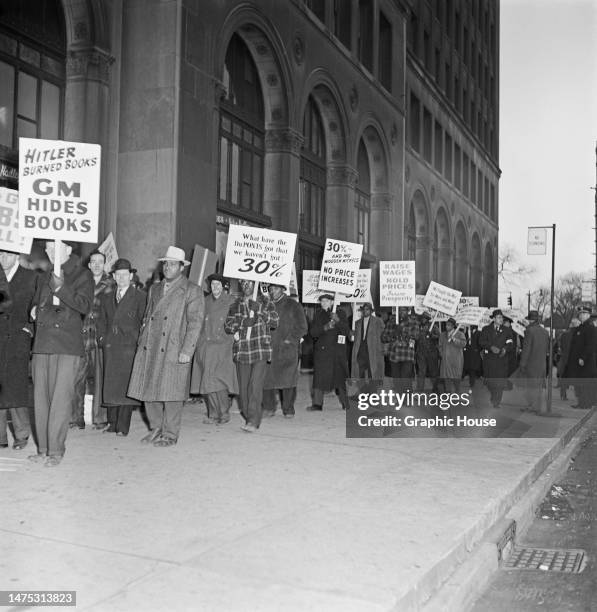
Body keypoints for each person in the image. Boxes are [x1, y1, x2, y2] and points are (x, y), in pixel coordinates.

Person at [128, 246, 204, 446]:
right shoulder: (154, 288)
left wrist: (187, 350)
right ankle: (156, 427)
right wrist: (141, 342)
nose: (168, 267)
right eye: (166, 263)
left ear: (182, 267)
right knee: (148, 389)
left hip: (174, 347)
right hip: (150, 346)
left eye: (172, 264)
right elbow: (147, 317)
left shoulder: (192, 290)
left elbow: (195, 323)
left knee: (172, 392)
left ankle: (170, 434)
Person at [28, 241, 94, 467]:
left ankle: (56, 450)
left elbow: (84, 305)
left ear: (68, 250)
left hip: (66, 345)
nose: (49, 251)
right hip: (42, 343)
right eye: (47, 247)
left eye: (55, 246)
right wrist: (34, 310)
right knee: (40, 398)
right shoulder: (43, 276)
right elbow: (40, 303)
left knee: (60, 400)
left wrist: (60, 288)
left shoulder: (82, 275)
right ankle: (43, 447)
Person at [97, 259, 146, 436]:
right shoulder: (107, 297)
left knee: (125, 386)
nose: (122, 278)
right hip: (111, 345)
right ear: (113, 276)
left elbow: (144, 322)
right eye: (118, 275)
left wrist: (136, 339)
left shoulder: (140, 296)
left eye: (125, 275)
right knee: (110, 384)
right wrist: (102, 338)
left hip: (128, 346)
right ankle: (112, 423)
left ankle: (123, 426)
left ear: (131, 276)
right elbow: (101, 320)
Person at [224, 279, 279, 432]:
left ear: (255, 284)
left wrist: (259, 309)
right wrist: (242, 323)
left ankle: (253, 421)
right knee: (243, 389)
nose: (246, 285)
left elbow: (275, 321)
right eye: (243, 283)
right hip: (242, 351)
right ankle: (249, 415)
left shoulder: (266, 302)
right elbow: (228, 326)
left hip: (260, 349)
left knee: (255, 386)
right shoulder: (235, 305)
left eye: (249, 283)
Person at [72, 249, 115, 430]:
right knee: (76, 381)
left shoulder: (111, 284)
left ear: (105, 265)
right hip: (80, 338)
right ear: (89, 265)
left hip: (99, 339)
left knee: (100, 381)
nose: (97, 265)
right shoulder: (80, 283)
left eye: (100, 261)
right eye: (93, 262)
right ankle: (76, 418)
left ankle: (100, 418)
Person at [190, 273, 238, 425]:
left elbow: (237, 321)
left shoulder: (232, 301)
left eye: (218, 284)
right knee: (207, 381)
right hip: (205, 346)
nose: (215, 287)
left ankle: (223, 414)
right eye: (212, 285)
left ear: (224, 286)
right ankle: (212, 414)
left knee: (220, 381)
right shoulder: (205, 301)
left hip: (223, 346)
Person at [0, 251, 35, 450]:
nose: (2, 258)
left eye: (7, 254)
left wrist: (29, 328)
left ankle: (22, 435)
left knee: (17, 387)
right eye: (0, 254)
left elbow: (38, 304)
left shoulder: (30, 277)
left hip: (18, 340)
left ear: (17, 256)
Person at [262, 283, 307, 418]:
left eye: (275, 289)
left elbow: (302, 327)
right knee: (267, 379)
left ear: (282, 289)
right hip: (268, 348)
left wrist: (290, 340)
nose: (272, 292)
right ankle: (269, 408)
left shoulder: (293, 305)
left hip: (286, 349)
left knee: (288, 380)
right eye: (270, 289)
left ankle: (288, 409)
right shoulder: (265, 306)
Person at [307, 294, 350, 411]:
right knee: (319, 378)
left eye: (326, 301)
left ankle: (347, 403)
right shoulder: (318, 314)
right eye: (322, 301)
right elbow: (313, 333)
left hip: (337, 352)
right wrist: (325, 327)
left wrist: (338, 320)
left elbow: (346, 331)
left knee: (341, 378)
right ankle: (317, 404)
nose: (323, 303)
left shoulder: (340, 313)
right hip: (322, 352)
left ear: (332, 302)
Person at [479, 309, 515, 409]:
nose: (501, 319)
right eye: (499, 317)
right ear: (494, 319)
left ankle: (497, 401)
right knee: (490, 382)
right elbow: (481, 341)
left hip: (501, 360)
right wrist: (490, 347)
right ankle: (493, 395)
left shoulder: (507, 330)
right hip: (489, 361)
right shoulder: (486, 329)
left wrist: (505, 349)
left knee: (499, 382)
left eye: (502, 317)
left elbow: (510, 343)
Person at [564, 305, 597, 409]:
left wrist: (583, 357)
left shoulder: (591, 328)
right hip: (577, 362)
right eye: (580, 314)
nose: (581, 315)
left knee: (585, 384)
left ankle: (585, 403)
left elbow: (590, 345)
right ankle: (582, 403)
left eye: (583, 314)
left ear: (588, 315)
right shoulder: (580, 328)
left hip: (585, 362)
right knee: (579, 384)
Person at [518, 310, 550, 414]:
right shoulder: (545, 332)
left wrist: (522, 364)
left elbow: (526, 349)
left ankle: (532, 406)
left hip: (531, 364)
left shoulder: (529, 331)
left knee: (530, 386)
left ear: (530, 320)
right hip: (541, 364)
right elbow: (548, 349)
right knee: (539, 386)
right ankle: (539, 406)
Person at [383, 310, 419, 392]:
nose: (402, 312)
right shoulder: (391, 322)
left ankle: (407, 399)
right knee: (396, 379)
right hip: (394, 355)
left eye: (404, 310)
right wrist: (393, 336)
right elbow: (383, 337)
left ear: (408, 310)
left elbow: (415, 337)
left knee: (405, 378)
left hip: (407, 355)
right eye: (400, 310)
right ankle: (400, 398)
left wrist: (403, 340)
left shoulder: (414, 322)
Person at [351, 303, 385, 379]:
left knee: (372, 371)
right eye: (364, 309)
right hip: (360, 350)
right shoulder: (357, 322)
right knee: (359, 371)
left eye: (367, 309)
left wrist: (384, 348)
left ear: (371, 311)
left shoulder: (378, 321)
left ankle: (372, 389)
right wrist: (351, 334)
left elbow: (383, 335)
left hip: (373, 350)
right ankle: (362, 388)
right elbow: (355, 336)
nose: (365, 311)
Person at [438, 318, 467, 393]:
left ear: (453, 326)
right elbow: (439, 346)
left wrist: (454, 339)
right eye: (446, 325)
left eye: (449, 325)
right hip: (446, 361)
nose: (447, 327)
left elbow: (463, 344)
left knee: (456, 378)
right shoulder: (442, 334)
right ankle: (448, 394)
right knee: (447, 378)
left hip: (456, 360)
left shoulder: (460, 334)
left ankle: (457, 392)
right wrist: (442, 353)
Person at [415, 312, 440, 392]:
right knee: (421, 372)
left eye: (425, 318)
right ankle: (419, 390)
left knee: (433, 372)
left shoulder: (434, 327)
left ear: (428, 319)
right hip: (421, 353)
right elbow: (415, 337)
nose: (423, 319)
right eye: (422, 318)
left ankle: (435, 389)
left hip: (432, 353)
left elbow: (439, 337)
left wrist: (432, 335)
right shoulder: (418, 327)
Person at [556, 318, 580, 400]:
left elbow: (561, 347)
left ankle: (563, 394)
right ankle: (578, 396)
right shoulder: (578, 335)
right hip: (575, 360)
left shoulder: (564, 335)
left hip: (565, 359)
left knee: (564, 377)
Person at [462, 326, 483, 391]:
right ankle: (463, 378)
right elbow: (464, 342)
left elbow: (481, 343)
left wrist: (478, 349)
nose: (470, 327)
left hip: (475, 354)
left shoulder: (479, 333)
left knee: (473, 369)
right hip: (467, 354)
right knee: (467, 367)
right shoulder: (466, 333)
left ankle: (472, 383)